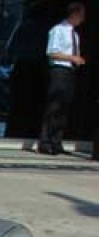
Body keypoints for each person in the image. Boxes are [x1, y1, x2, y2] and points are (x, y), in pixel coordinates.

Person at [39, 2, 86, 155]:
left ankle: (57, 141)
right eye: (80, 16)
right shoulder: (57, 30)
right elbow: (52, 52)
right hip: (59, 70)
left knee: (64, 108)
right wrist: (71, 57)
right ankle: (45, 141)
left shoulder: (75, 34)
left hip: (70, 72)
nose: (81, 20)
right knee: (54, 106)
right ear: (74, 15)